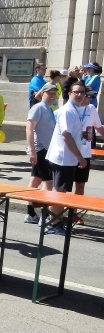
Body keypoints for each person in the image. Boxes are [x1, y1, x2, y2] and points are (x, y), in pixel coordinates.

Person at [44, 81, 88, 235]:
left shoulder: (74, 110)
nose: (80, 95)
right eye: (76, 92)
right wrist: (80, 157)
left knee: (60, 191)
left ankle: (56, 221)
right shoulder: (68, 111)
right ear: (69, 94)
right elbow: (66, 136)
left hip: (67, 158)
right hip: (63, 158)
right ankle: (53, 224)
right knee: (59, 192)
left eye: (82, 92)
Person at [24, 83, 57, 224]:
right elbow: (29, 128)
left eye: (54, 93)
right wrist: (32, 150)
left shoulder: (49, 109)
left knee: (35, 180)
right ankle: (45, 216)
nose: (52, 96)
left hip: (47, 149)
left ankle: (30, 213)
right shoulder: (38, 108)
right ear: (43, 93)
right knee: (48, 182)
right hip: (41, 149)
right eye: (49, 93)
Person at [71, 89, 104, 225]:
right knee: (63, 187)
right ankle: (55, 215)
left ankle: (74, 214)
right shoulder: (70, 108)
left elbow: (99, 128)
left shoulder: (91, 109)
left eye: (92, 97)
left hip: (85, 153)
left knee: (80, 185)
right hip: (69, 154)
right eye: (88, 97)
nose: (90, 100)